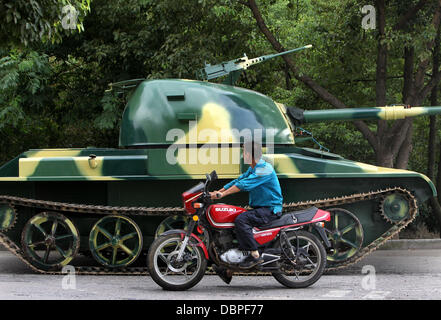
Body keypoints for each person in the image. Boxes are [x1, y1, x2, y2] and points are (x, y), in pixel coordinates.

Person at [210, 140, 283, 284]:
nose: (243, 155)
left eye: (244, 152)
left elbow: (244, 185)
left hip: (269, 209)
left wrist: (222, 195)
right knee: (236, 222)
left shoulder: (264, 169)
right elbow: (239, 180)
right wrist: (219, 191)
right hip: (260, 208)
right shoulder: (254, 168)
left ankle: (255, 256)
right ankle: (229, 270)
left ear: (249, 154)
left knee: (241, 220)